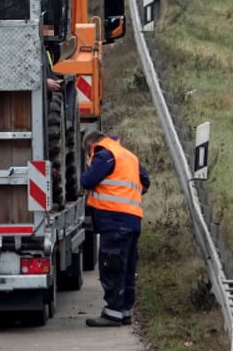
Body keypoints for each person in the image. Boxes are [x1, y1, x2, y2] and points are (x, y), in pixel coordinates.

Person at [80, 130, 150, 327]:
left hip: (114, 220)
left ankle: (112, 312)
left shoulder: (104, 154)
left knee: (111, 266)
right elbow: (145, 181)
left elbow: (87, 180)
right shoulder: (129, 156)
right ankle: (124, 311)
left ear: (91, 145)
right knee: (127, 267)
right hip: (132, 219)